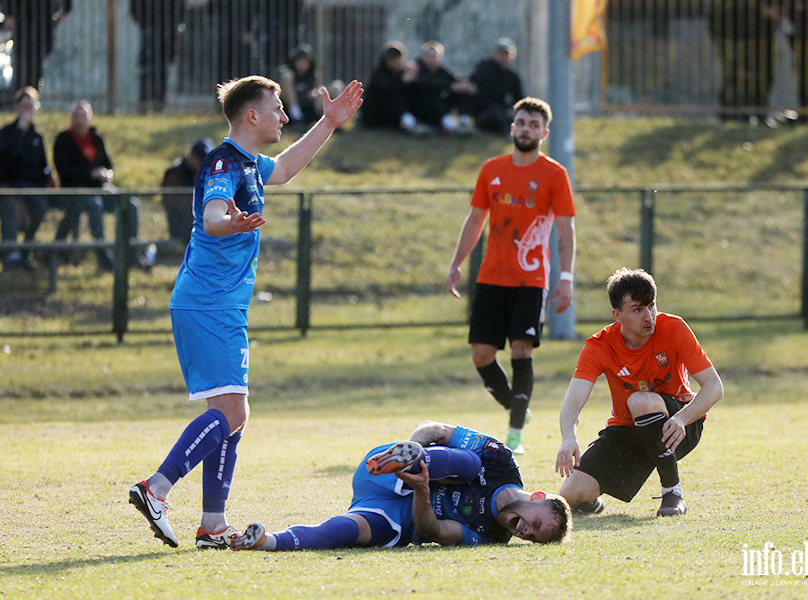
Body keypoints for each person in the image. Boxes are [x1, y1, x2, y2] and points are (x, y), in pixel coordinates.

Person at [128, 75, 364, 550]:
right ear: (252, 115)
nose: (283, 115)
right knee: (232, 412)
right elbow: (213, 214)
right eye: (277, 108)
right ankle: (156, 488)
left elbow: (287, 169)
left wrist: (330, 122)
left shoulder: (249, 162)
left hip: (218, 304)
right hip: (208, 303)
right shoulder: (222, 163)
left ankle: (213, 525)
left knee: (233, 412)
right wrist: (226, 223)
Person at [446, 97, 576, 455]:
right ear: (512, 127)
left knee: (521, 348)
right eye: (521, 122)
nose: (526, 129)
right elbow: (476, 220)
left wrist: (566, 276)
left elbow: (564, 230)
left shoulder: (554, 175)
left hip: (530, 280)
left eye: (534, 124)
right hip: (491, 277)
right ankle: (516, 406)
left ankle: (515, 431)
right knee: (481, 356)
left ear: (544, 133)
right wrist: (457, 263)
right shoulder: (491, 169)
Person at [228, 420, 572, 550]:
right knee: (471, 463)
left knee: (350, 534)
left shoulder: (489, 536)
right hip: (383, 470)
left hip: (394, 511)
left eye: (530, 536)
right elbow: (434, 427)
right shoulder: (501, 459)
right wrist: (415, 454)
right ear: (538, 497)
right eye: (535, 523)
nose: (525, 530)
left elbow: (434, 530)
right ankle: (408, 458)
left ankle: (266, 541)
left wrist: (422, 490)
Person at [555, 268, 724, 517]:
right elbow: (573, 401)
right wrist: (568, 436)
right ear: (617, 314)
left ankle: (672, 492)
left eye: (651, 306)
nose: (649, 317)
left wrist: (681, 418)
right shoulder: (598, 345)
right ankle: (590, 502)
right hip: (628, 430)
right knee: (568, 497)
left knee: (641, 400)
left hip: (679, 426)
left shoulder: (674, 327)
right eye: (637, 309)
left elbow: (714, 387)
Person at [53, 101, 142, 271]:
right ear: (70, 118)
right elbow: (64, 171)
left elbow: (109, 164)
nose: (80, 121)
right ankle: (105, 259)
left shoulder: (96, 138)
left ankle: (131, 257)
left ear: (90, 118)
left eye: (83, 117)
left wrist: (109, 174)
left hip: (100, 187)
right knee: (95, 205)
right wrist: (91, 173)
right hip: (74, 190)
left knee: (130, 204)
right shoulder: (63, 140)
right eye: (76, 117)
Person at [0, 85, 52, 271]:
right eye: (24, 106)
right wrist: (19, 131)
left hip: (32, 186)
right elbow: (6, 159)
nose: (27, 110)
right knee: (9, 208)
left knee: (41, 207)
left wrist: (49, 179)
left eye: (31, 106)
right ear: (17, 107)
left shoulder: (37, 136)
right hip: (10, 185)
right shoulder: (6, 133)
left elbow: (43, 165)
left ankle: (25, 250)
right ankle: (9, 256)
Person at [406, 41, 476, 134]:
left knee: (460, 91)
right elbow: (426, 84)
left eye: (435, 56)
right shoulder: (416, 68)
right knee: (431, 95)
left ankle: (464, 121)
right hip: (420, 108)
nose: (432, 58)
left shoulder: (440, 70)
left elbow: (453, 80)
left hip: (438, 107)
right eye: (429, 55)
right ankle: (450, 125)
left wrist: (465, 85)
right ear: (423, 55)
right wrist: (450, 86)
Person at [130, 0, 185, 113]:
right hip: (154, 28)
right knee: (150, 69)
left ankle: (156, 105)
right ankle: (147, 105)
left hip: (165, 28)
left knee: (160, 69)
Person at [4, 0, 72, 91]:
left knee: (37, 65)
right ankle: (20, 97)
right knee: (21, 64)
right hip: (21, 17)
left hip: (44, 20)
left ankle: (33, 97)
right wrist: (8, 14)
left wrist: (65, 10)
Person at [160, 138, 212, 246]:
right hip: (181, 221)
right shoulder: (175, 173)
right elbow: (175, 201)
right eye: (200, 160)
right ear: (192, 156)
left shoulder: (206, 174)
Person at [468, 38, 523, 134]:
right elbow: (482, 96)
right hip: (483, 111)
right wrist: (505, 110)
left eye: (508, 54)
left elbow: (518, 97)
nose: (505, 57)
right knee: (495, 117)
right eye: (502, 54)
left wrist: (515, 111)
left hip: (501, 109)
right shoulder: (485, 69)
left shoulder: (512, 75)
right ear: (494, 54)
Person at [359, 41, 416, 131]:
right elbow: (388, 91)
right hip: (374, 115)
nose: (400, 62)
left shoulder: (400, 73)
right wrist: (404, 81)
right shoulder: (380, 74)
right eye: (397, 60)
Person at [277, 44, 321, 130]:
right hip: (288, 109)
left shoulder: (312, 75)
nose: (303, 64)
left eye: (306, 62)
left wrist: (315, 93)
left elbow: (315, 90)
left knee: (335, 87)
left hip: (307, 106)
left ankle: (331, 120)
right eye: (300, 61)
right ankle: (296, 118)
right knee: (287, 76)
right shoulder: (287, 74)